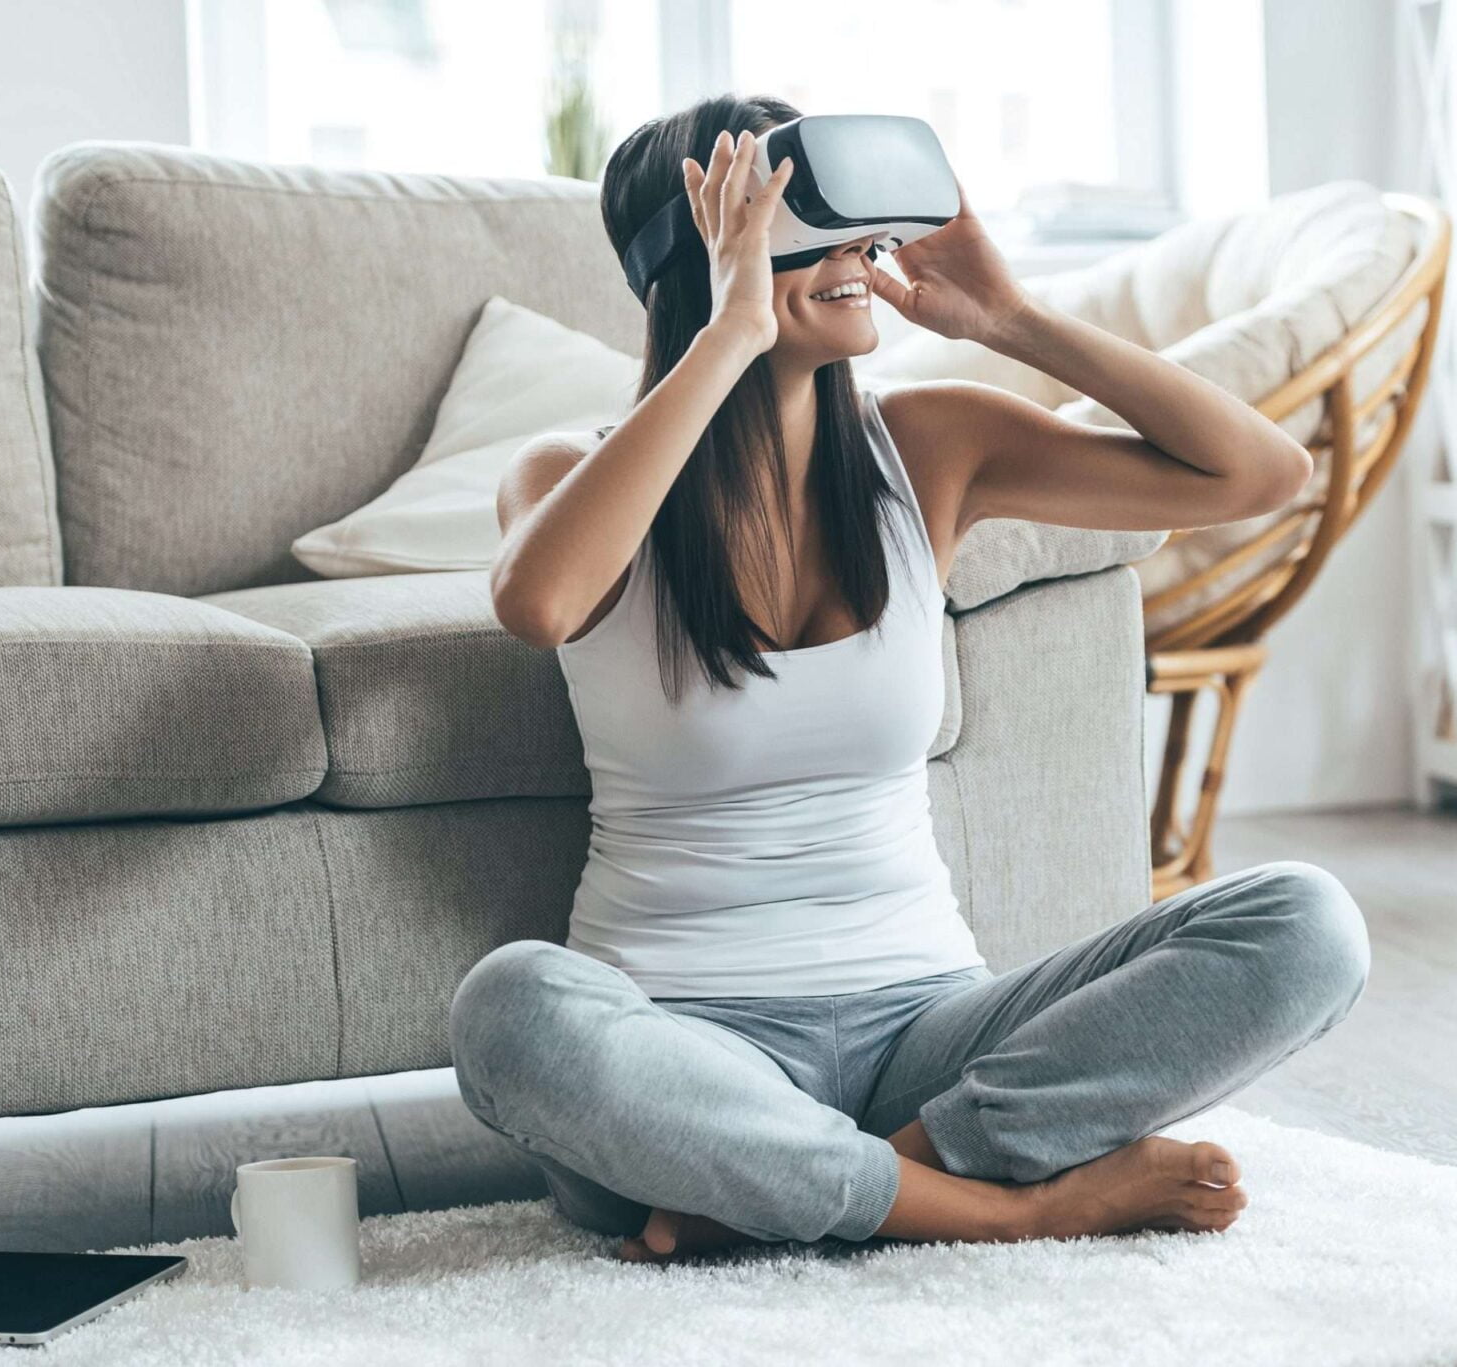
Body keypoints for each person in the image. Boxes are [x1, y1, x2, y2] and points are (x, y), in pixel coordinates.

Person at [447, 93, 1370, 1265]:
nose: (853, 259)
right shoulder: (570, 473)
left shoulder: (927, 446)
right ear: (701, 255)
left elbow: (1258, 474)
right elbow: (539, 604)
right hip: (690, 1051)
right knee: (511, 1007)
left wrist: (1014, 318)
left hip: (930, 1034)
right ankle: (1013, 1203)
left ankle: (815, 1186)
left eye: (855, 232)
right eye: (802, 227)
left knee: (1306, 922)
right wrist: (724, 334)